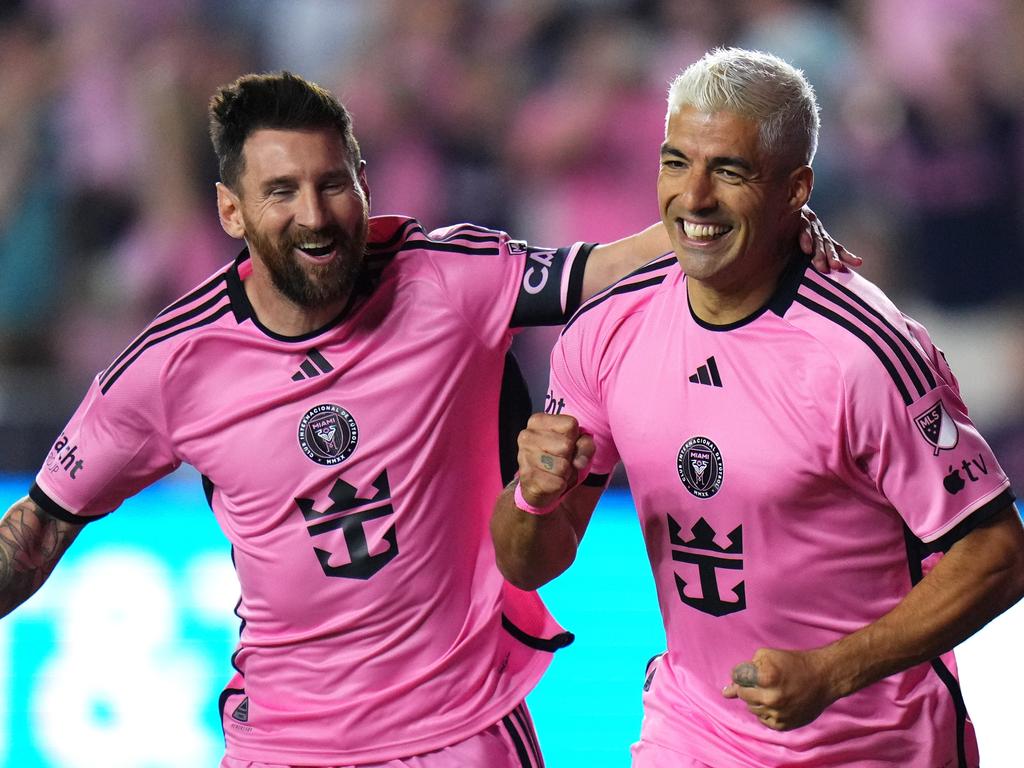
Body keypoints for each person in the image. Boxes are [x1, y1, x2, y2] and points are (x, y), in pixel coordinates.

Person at [0, 71, 849, 767]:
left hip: (462, 731)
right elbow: (35, 533)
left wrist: (753, 226)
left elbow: (619, 264)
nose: (314, 212)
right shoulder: (168, 366)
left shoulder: (446, 279)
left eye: (334, 183)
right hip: (286, 744)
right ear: (232, 212)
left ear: (363, 182)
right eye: (282, 190)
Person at [492, 47, 1024, 768]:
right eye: (676, 162)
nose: (695, 197)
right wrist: (533, 496)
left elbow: (996, 555)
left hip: (874, 748)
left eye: (730, 171)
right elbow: (530, 564)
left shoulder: (862, 353)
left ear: (795, 188)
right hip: (692, 733)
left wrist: (832, 672)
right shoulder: (606, 331)